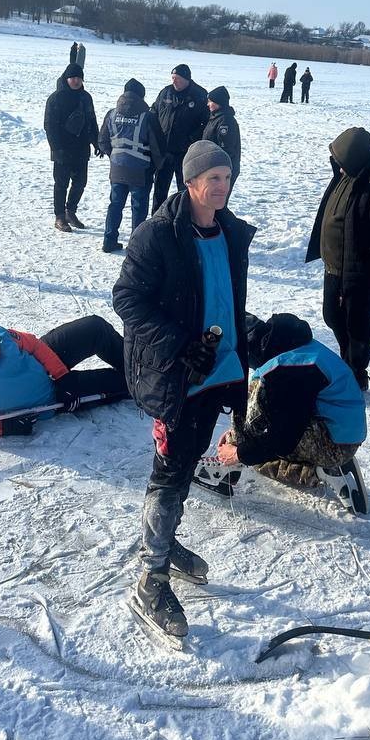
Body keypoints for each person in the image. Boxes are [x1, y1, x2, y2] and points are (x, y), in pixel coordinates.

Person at [113, 139, 254, 642]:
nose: (222, 185)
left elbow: (223, 297)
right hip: (178, 376)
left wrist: (246, 335)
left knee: (189, 460)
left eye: (227, 176)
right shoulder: (158, 235)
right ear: (190, 183)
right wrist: (178, 345)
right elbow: (127, 299)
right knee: (169, 472)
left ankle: (164, 543)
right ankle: (150, 576)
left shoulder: (231, 232)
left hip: (220, 372)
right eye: (212, 178)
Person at [215, 312, 368, 514]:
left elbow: (284, 438)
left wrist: (239, 452)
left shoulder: (289, 369)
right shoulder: (291, 346)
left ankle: (225, 469)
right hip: (340, 434)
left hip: (334, 444)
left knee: (256, 452)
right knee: (255, 443)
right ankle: (326, 471)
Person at [305, 127, 370, 390]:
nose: (337, 167)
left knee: (358, 324)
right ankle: (347, 358)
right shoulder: (349, 173)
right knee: (332, 316)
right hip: (334, 267)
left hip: (359, 273)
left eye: (341, 161)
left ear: (355, 158)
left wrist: (368, 275)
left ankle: (356, 371)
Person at [0, 313, 129, 437]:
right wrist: (4, 427)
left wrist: (62, 375)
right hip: (49, 398)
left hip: (46, 364)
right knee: (124, 382)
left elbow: (33, 344)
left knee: (94, 327)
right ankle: (144, 380)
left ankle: (144, 367)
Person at [98, 78, 165, 253]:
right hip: (140, 170)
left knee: (115, 204)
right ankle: (136, 246)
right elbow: (157, 146)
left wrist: (114, 156)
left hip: (117, 168)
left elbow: (102, 141)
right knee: (139, 208)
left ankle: (109, 240)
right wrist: (157, 166)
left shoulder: (112, 113)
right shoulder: (148, 116)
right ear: (141, 96)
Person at [43, 62, 99, 232]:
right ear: (66, 79)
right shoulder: (56, 98)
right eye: (72, 78)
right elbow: (49, 125)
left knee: (80, 182)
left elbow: (91, 121)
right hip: (62, 149)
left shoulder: (86, 97)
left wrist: (96, 142)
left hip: (81, 148)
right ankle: (59, 216)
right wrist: (56, 148)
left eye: (79, 78)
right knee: (61, 184)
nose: (76, 81)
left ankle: (71, 211)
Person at [149, 64, 208, 213]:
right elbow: (154, 114)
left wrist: (191, 139)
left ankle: (185, 218)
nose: (174, 81)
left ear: (187, 79)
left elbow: (206, 122)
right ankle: (157, 218)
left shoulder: (199, 94)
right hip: (164, 151)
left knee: (186, 190)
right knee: (160, 189)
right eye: (173, 78)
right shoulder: (165, 92)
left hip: (186, 152)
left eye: (178, 79)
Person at [202, 87, 241, 199]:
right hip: (213, 169)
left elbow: (225, 150)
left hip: (221, 171)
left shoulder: (225, 121)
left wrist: (217, 171)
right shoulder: (215, 118)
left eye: (210, 101)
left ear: (218, 103)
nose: (208, 104)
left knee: (218, 204)